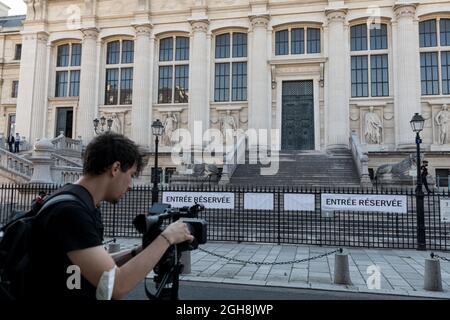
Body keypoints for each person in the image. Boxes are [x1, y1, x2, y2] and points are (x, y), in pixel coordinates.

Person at [24, 132, 193, 300]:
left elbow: (99, 266)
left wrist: (138, 252)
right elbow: (115, 285)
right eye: (131, 175)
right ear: (115, 168)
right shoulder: (71, 211)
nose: (131, 186)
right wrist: (167, 238)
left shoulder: (77, 201)